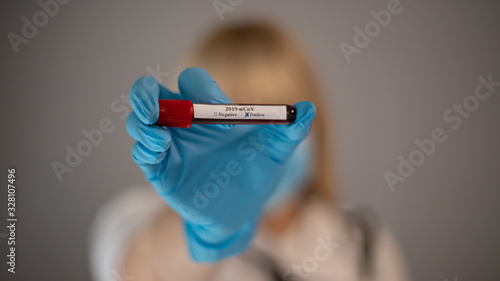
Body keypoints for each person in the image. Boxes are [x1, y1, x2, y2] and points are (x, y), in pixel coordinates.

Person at [89, 22, 411, 281]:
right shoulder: (135, 216)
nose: (256, 137)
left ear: (318, 123)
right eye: (241, 114)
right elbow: (144, 267)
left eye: (272, 111)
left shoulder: (364, 238)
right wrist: (206, 233)